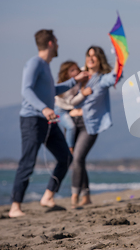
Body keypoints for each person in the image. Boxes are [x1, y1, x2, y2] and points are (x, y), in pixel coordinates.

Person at [9, 30, 89, 218]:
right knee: (28, 162)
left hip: (48, 121)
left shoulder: (45, 66)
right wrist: (44, 108)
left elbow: (53, 90)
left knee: (65, 158)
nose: (59, 45)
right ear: (51, 43)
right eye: (57, 41)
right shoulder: (35, 63)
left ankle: (47, 196)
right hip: (32, 120)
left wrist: (74, 81)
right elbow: (26, 90)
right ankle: (15, 207)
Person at [70, 46, 122, 208]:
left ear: (100, 60)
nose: (90, 58)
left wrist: (119, 59)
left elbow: (115, 77)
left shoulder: (102, 79)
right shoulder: (78, 74)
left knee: (77, 158)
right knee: (79, 159)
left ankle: (74, 196)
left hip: (90, 125)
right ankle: (87, 195)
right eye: (88, 55)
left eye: (94, 56)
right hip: (71, 123)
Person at [54, 61, 93, 154]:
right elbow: (72, 102)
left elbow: (84, 68)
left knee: (70, 129)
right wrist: (83, 94)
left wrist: (88, 69)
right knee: (70, 127)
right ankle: (69, 148)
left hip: (70, 109)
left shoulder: (79, 75)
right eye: (72, 70)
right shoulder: (65, 87)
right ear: (66, 75)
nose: (76, 71)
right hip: (60, 110)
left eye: (76, 68)